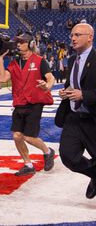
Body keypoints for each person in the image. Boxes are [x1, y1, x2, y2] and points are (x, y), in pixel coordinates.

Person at [0, 32, 56, 176]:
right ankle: (28, 164)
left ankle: (48, 152)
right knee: (17, 136)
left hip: (34, 103)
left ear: (30, 44)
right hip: (19, 103)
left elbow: (50, 78)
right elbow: (3, 78)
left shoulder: (40, 60)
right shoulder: (14, 62)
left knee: (29, 137)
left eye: (22, 42)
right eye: (17, 42)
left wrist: (46, 86)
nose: (18, 44)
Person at [56, 23, 96, 199]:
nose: (73, 38)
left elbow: (83, 91)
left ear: (90, 37)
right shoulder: (72, 59)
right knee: (68, 156)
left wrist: (84, 95)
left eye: (78, 34)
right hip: (73, 117)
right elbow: (73, 83)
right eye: (72, 34)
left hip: (92, 118)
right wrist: (66, 91)